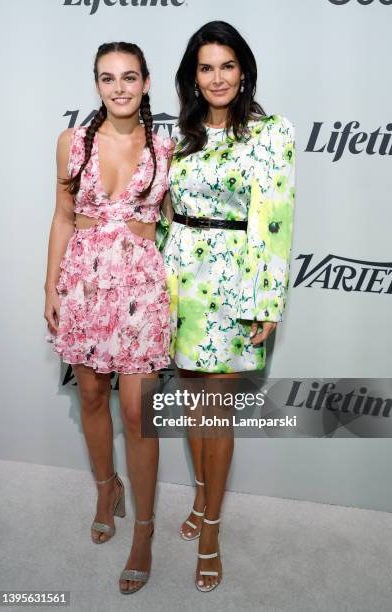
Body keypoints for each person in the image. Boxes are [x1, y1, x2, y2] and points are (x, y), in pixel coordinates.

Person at [162, 21, 295, 592]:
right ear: (193, 76)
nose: (217, 77)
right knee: (194, 406)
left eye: (227, 66)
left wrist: (269, 299)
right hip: (181, 283)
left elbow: (275, 220)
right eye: (205, 67)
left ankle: (212, 529)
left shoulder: (271, 133)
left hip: (236, 285)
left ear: (244, 72)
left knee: (216, 412)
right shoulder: (180, 136)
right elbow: (166, 214)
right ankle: (200, 496)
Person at [44, 42, 172, 595]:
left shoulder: (167, 149)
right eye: (107, 78)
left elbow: (179, 225)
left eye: (129, 77)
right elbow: (62, 216)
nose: (119, 87)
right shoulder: (72, 143)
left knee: (138, 415)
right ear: (96, 85)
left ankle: (144, 531)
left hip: (141, 290)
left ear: (146, 83)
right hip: (83, 286)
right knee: (91, 397)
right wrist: (51, 284)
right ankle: (105, 487)